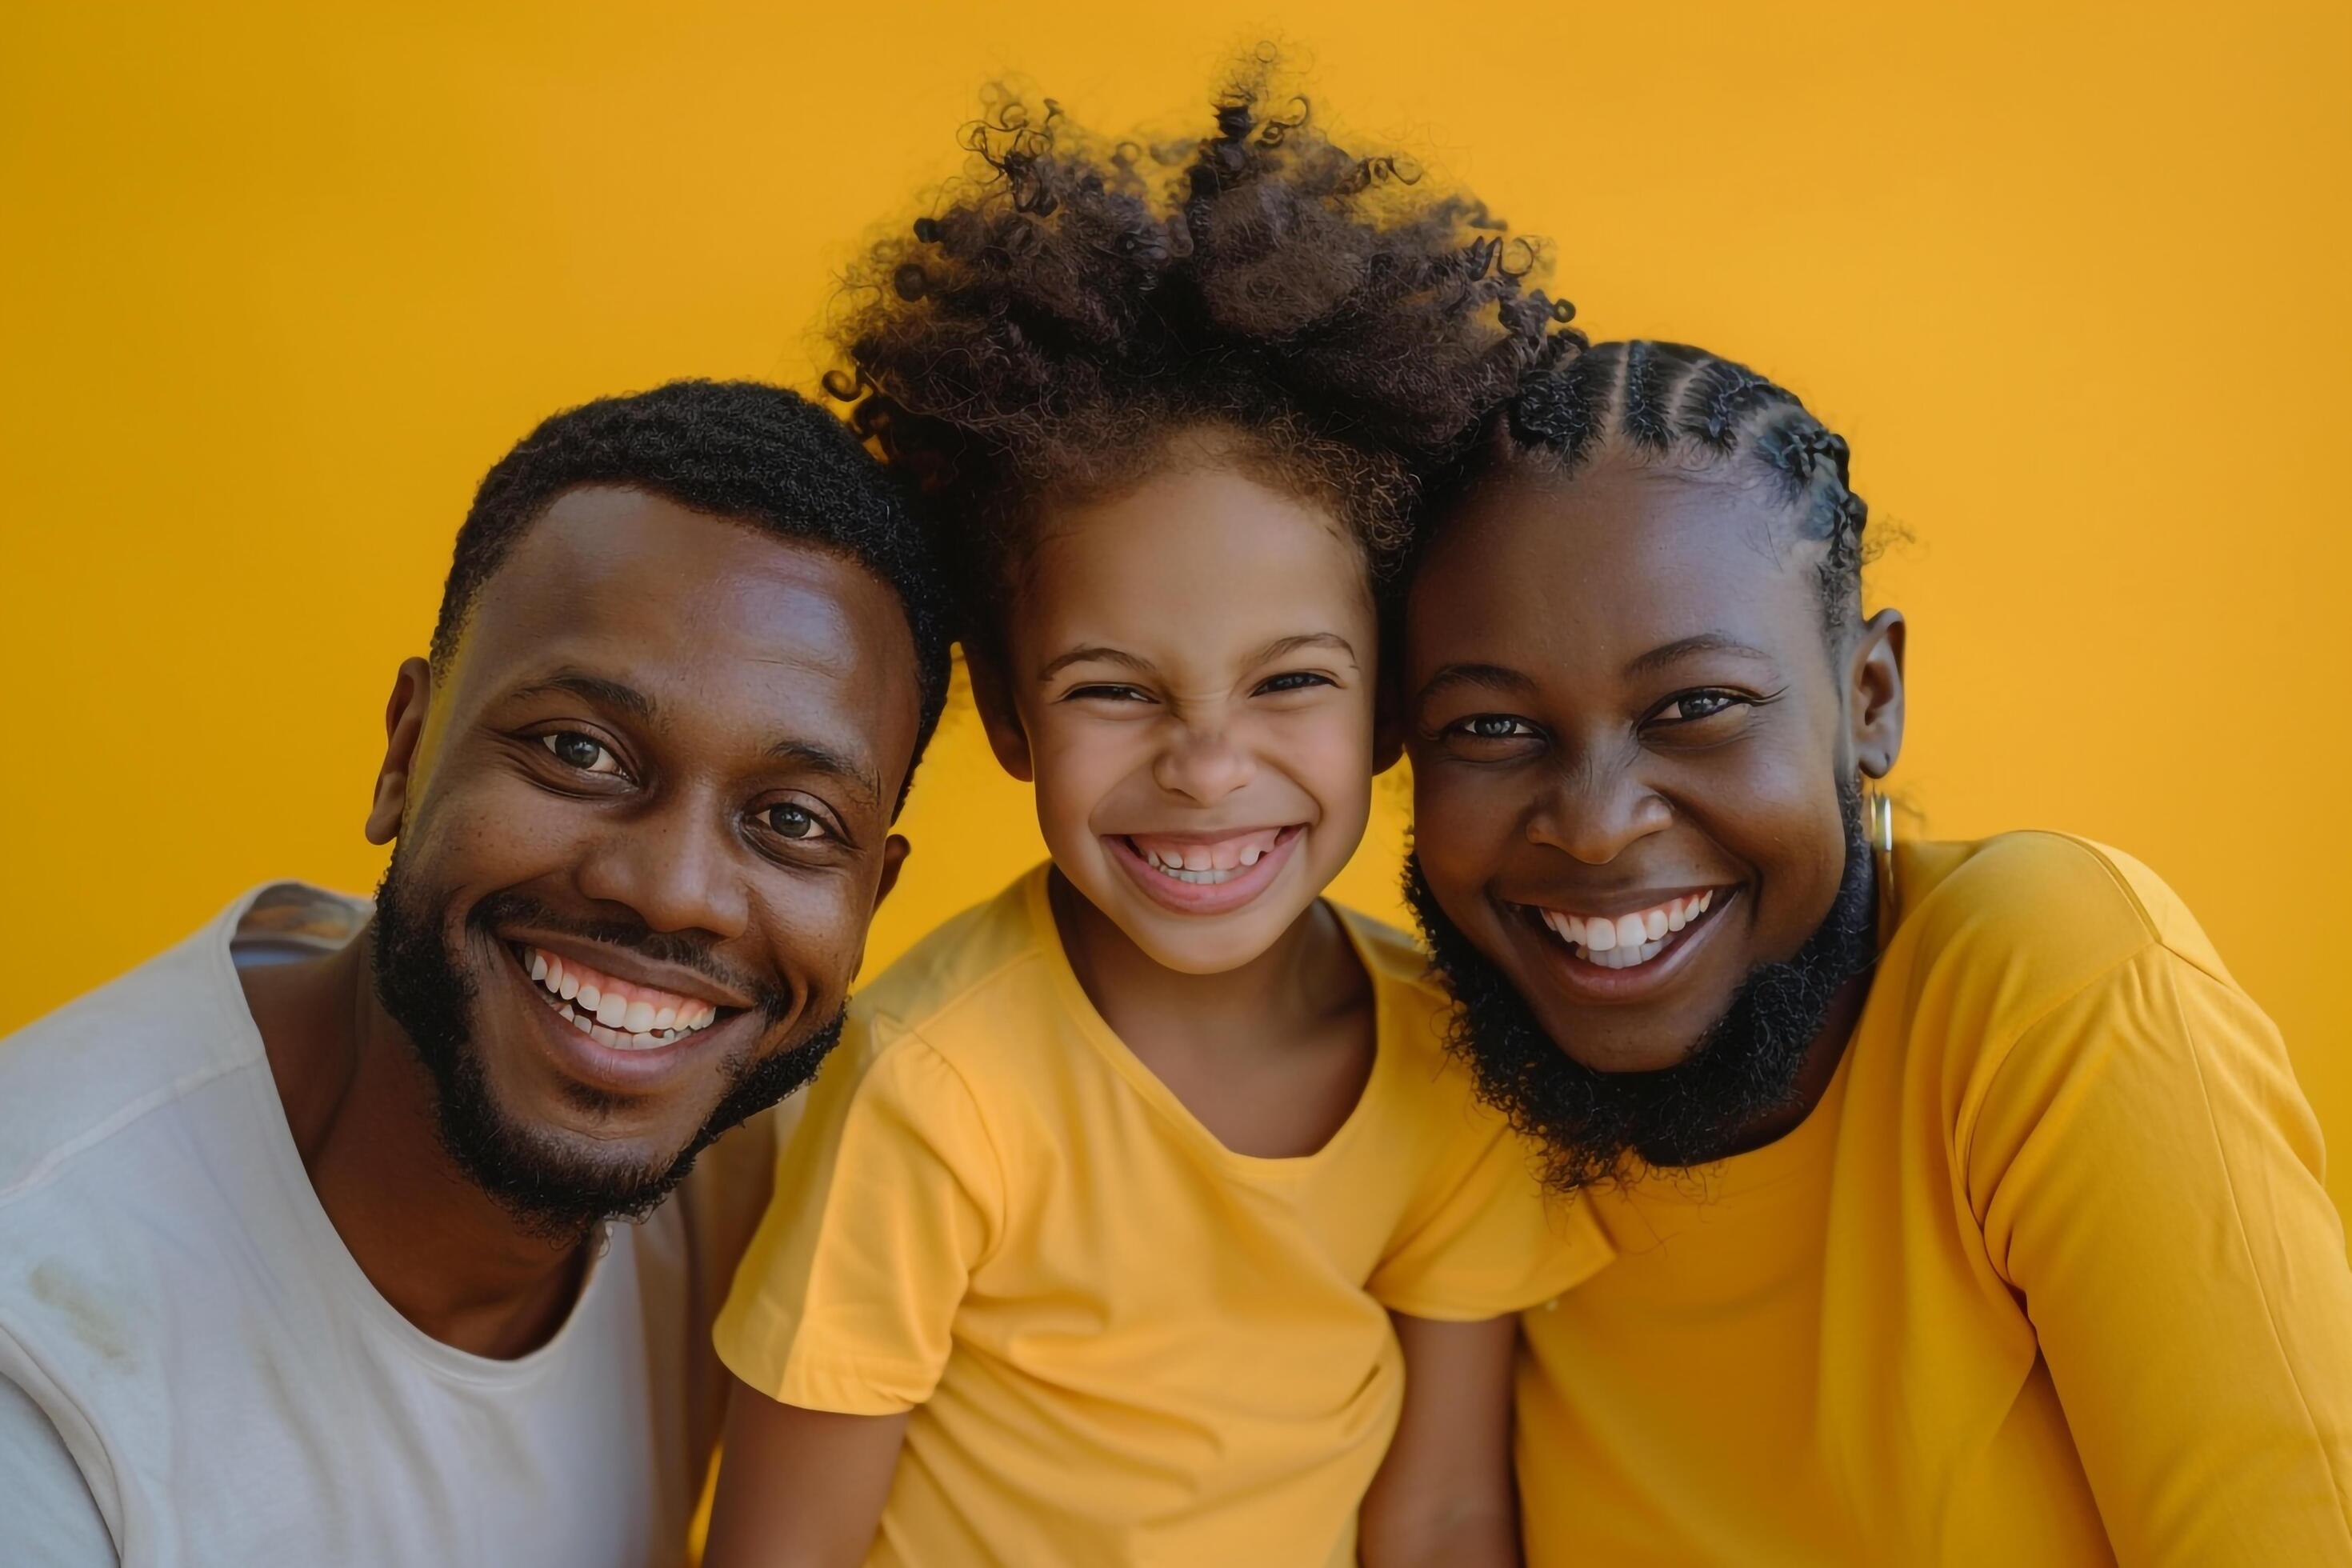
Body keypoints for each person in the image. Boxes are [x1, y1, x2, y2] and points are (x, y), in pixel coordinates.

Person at [702, 78, 1606, 1568]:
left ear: (1392, 699)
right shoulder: (938, 1091)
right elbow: (777, 1551)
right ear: (1006, 713)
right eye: (1116, 691)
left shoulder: (1455, 1061)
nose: (1205, 767)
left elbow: (1443, 1511)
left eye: (1290, 682)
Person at [1398, 339, 2352, 1564]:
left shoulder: (2049, 984)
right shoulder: (1438, 1081)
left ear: (1870, 697)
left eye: (1696, 707)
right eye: (1488, 725)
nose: (1593, 826)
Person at [0, 380, 954, 1566]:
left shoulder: (836, 1174)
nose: (671, 889)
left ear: (872, 899)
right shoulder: (38, 1343)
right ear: (405, 747)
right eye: (579, 751)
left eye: (795, 821)